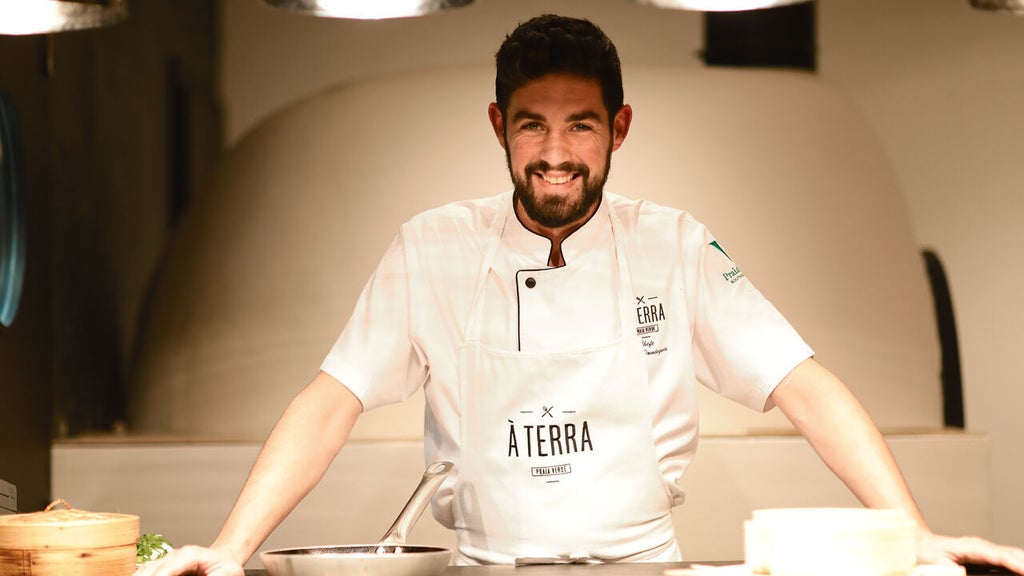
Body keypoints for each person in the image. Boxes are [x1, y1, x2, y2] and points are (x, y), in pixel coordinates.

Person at [135, 14, 1024, 576]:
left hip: (644, 570)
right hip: (489, 572)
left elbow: (803, 384)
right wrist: (228, 549)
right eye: (532, 125)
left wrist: (911, 532)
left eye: (580, 126)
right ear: (499, 127)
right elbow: (331, 400)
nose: (555, 153)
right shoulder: (431, 249)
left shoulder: (674, 246)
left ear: (618, 129)